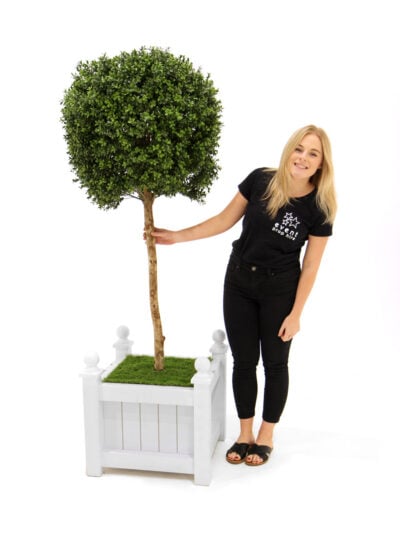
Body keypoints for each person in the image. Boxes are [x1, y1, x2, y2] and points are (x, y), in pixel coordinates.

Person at [151, 124, 337, 466]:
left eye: (313, 154)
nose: (303, 158)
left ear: (321, 164)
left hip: (280, 290)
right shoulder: (260, 180)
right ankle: (245, 433)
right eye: (299, 149)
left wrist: (296, 314)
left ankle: (266, 435)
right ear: (289, 150)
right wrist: (178, 236)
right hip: (238, 282)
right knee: (244, 361)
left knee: (275, 364)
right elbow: (224, 220)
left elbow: (310, 266)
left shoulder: (320, 207)